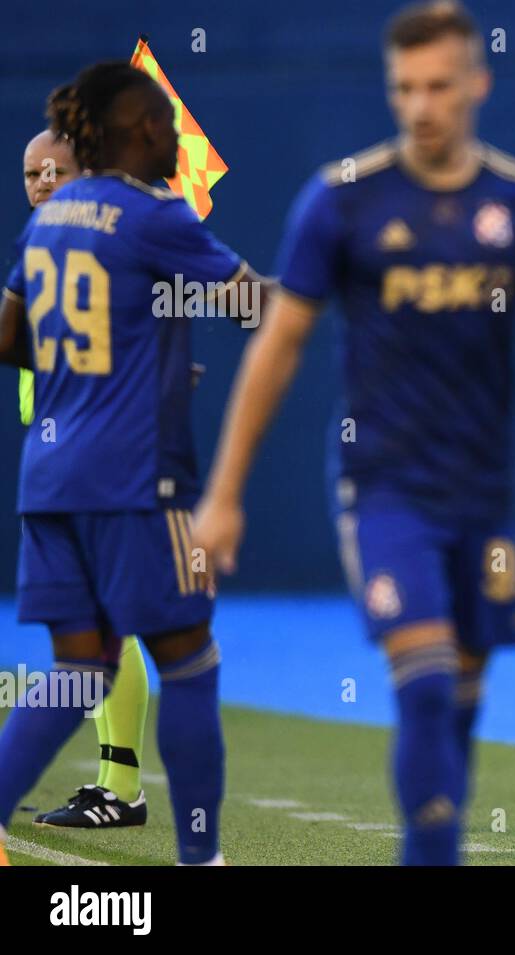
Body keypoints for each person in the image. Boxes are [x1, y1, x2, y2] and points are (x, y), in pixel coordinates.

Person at [189, 0, 515, 866]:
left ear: (478, 83)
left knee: (462, 699)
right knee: (425, 684)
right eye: (404, 89)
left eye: (438, 86)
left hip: (482, 499)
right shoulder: (342, 202)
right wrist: (226, 494)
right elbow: (279, 345)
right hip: (383, 487)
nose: (421, 105)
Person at [0, 60, 268, 866]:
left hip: (49, 481)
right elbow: (251, 301)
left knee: (80, 665)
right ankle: (201, 857)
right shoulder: (155, 215)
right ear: (141, 130)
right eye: (166, 122)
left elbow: (8, 336)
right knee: (190, 657)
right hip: (134, 482)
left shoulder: (46, 220)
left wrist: (98, 370)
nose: (177, 133)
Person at [14, 128, 153, 832]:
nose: (40, 181)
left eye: (55, 170)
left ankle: (121, 786)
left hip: (105, 464)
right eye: (31, 172)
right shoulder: (44, 252)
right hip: (63, 467)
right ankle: (114, 781)